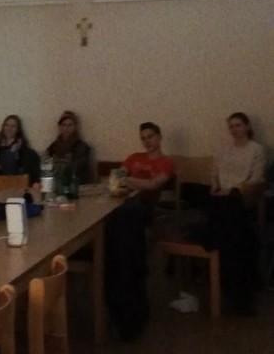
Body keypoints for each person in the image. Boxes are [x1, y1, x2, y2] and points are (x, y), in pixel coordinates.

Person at [181, 112, 266, 315]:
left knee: (229, 208)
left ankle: (208, 233)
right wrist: (215, 187)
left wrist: (232, 190)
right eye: (231, 126)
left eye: (238, 125)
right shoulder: (224, 149)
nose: (234, 130)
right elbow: (216, 173)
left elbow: (256, 179)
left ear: (247, 126)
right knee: (187, 188)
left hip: (239, 196)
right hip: (220, 196)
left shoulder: (257, 149)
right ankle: (213, 229)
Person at [105, 122, 175, 341]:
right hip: (122, 204)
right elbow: (115, 179)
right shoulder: (134, 157)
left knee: (129, 214)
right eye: (143, 138)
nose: (147, 141)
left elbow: (154, 185)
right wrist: (128, 182)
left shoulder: (166, 162)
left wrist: (127, 180)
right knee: (113, 217)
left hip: (146, 209)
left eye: (150, 136)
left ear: (159, 137)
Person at [0, 115, 40, 186]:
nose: (9, 128)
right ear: (3, 127)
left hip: (14, 180)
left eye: (13, 126)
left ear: (18, 130)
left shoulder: (22, 147)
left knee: (28, 154)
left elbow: (22, 168)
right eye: (6, 125)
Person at [46, 111, 93, 185]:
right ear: (59, 127)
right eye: (64, 125)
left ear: (75, 127)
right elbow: (46, 163)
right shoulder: (54, 145)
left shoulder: (82, 146)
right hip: (57, 183)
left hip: (76, 184)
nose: (66, 128)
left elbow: (75, 169)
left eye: (70, 125)